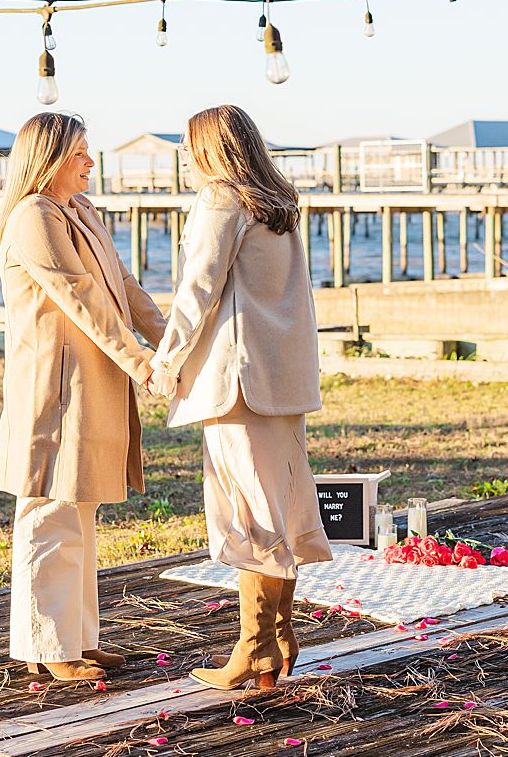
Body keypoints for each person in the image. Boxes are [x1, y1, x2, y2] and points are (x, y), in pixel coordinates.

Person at [148, 104, 331, 691]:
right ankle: (279, 638)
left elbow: (197, 290)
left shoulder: (220, 200)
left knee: (250, 515)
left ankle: (254, 648)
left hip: (238, 380)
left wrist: (166, 361)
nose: (183, 155)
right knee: (279, 507)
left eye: (188, 144)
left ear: (211, 148)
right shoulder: (276, 202)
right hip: (282, 380)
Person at [0, 112, 167, 682]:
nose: (90, 161)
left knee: (80, 509)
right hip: (55, 387)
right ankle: (46, 645)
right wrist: (142, 362)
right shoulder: (34, 216)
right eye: (79, 153)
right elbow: (81, 297)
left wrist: (169, 341)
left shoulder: (80, 210)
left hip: (90, 383)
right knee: (51, 511)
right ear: (47, 160)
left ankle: (76, 638)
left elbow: (122, 286)